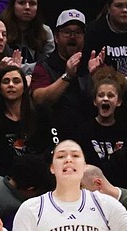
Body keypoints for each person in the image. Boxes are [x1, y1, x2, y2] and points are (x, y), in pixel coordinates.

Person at [30, 9, 96, 140]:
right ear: (56, 37)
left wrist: (96, 78)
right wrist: (67, 77)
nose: (72, 37)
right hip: (53, 134)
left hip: (87, 134)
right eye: (67, 32)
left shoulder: (91, 64)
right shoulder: (44, 66)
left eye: (78, 32)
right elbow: (39, 100)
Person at [0, 0, 54, 74]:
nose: (27, 7)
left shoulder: (45, 31)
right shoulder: (1, 29)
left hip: (36, 78)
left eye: (32, 4)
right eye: (21, 3)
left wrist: (17, 68)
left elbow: (47, 65)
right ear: (13, 6)